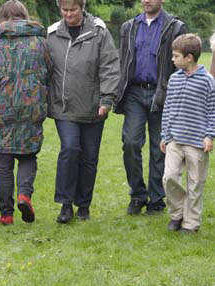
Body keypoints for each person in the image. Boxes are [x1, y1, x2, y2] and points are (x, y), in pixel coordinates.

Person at [0, 0, 52, 225]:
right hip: (31, 108)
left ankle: (6, 214)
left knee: (3, 164)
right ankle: (24, 194)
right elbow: (50, 74)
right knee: (28, 156)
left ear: (2, 18)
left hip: (1, 111)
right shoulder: (40, 43)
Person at [47, 0, 120, 223]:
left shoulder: (99, 32)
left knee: (89, 157)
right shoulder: (52, 33)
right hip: (64, 106)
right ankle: (65, 204)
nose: (68, 14)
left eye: (73, 10)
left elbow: (109, 66)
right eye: (64, 10)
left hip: (93, 107)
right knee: (69, 149)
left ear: (82, 7)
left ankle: (84, 205)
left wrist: (107, 99)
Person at [115, 0, 187, 215]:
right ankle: (137, 195)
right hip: (135, 93)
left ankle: (156, 199)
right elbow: (123, 61)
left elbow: (182, 65)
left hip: (162, 93)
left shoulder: (175, 27)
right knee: (130, 142)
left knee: (160, 148)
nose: (146, 0)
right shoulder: (128, 27)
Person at [160, 34, 215, 233]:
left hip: (198, 143)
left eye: (175, 56)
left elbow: (212, 110)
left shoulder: (208, 81)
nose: (172, 59)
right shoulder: (174, 79)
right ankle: (177, 214)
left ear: (189, 57)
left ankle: (190, 223)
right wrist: (165, 134)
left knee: (195, 184)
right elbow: (168, 108)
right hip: (174, 139)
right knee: (169, 177)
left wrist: (209, 135)